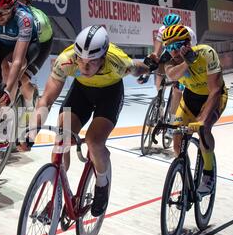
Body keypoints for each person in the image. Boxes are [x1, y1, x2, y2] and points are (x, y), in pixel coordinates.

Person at [24, 25, 150, 217]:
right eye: (80, 60)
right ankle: (56, 196)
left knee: (94, 142)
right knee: (62, 137)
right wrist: (31, 133)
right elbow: (46, 99)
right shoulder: (65, 61)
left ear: (103, 57)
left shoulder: (117, 61)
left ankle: (101, 184)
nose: (84, 66)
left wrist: (149, 69)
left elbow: (136, 67)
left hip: (109, 95)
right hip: (81, 93)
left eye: (91, 62)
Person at [162, 24, 227, 197]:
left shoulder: (207, 53)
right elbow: (172, 75)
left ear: (188, 43)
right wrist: (186, 63)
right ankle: (186, 176)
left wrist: (202, 119)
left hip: (214, 96)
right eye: (168, 47)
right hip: (190, 98)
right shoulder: (169, 58)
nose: (173, 51)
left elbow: (215, 90)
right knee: (177, 142)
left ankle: (208, 174)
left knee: (203, 128)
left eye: (177, 46)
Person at [144, 13, 198, 139]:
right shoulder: (162, 31)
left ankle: (172, 121)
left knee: (177, 90)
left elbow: (191, 54)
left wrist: (181, 73)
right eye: (167, 28)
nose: (169, 30)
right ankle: (160, 102)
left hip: (182, 53)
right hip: (169, 52)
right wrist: (154, 58)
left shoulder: (188, 33)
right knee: (158, 78)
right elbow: (157, 51)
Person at [15, 0, 53, 119]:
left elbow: (30, 46)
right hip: (24, 40)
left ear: (27, 3)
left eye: (20, 1)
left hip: (41, 44)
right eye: (15, 0)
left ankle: (31, 104)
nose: (16, 4)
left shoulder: (35, 19)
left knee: (22, 78)